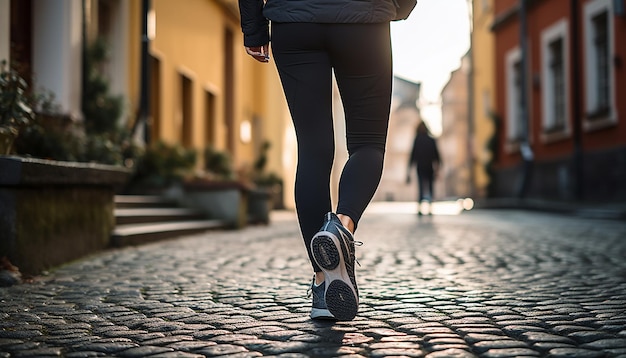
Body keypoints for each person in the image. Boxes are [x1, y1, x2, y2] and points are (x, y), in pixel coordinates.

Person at [238, 0, 400, 321]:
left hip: (294, 22)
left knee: (313, 150)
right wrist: (397, 6)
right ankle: (341, 226)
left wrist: (254, 28)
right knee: (368, 144)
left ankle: (324, 285)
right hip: (364, 19)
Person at [407, 121, 441, 216]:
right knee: (430, 187)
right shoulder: (431, 140)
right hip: (429, 167)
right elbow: (437, 156)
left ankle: (420, 208)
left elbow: (412, 156)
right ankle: (430, 208)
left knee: (421, 186)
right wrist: (438, 168)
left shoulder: (417, 140)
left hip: (420, 167)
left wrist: (408, 171)